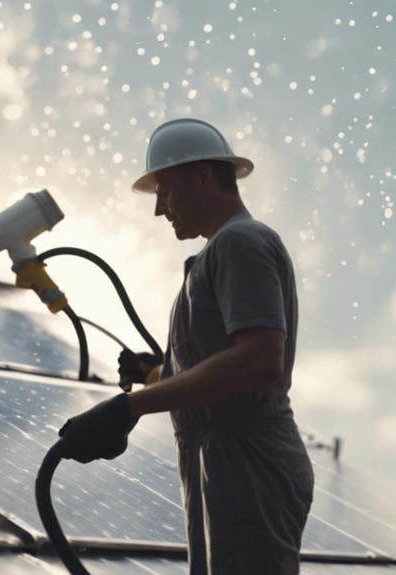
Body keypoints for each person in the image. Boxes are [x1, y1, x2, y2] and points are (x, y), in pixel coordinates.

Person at [57, 118, 314, 574]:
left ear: (200, 176)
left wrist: (130, 407)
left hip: (247, 459)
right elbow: (220, 374)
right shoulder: (222, 251)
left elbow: (258, 360)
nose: (159, 209)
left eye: (164, 190)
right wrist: (158, 374)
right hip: (227, 459)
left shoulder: (241, 241)